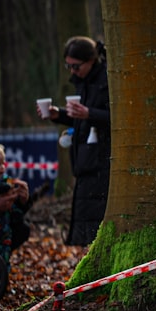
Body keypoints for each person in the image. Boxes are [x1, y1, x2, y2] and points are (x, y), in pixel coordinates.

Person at [39, 36, 111, 245]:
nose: (72, 71)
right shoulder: (83, 82)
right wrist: (58, 114)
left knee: (94, 224)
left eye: (76, 66)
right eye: (68, 66)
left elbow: (116, 117)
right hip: (83, 161)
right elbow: (80, 119)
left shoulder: (106, 80)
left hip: (101, 162)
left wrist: (89, 113)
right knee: (83, 225)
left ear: (91, 60)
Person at [0, 143, 31, 295]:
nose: (2, 168)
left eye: (3, 164)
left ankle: (2, 285)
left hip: (4, 233)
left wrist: (23, 200)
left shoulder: (7, 181)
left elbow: (17, 212)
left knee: (3, 261)